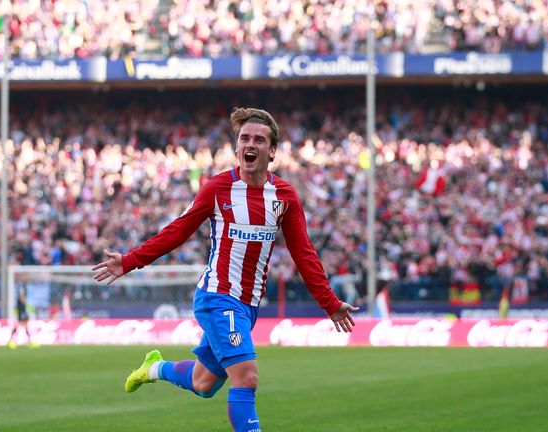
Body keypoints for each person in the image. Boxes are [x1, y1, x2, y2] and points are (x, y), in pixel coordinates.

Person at [92, 107, 359, 432]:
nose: (250, 143)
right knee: (246, 377)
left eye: (259, 140)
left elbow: (303, 253)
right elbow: (177, 230)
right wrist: (131, 260)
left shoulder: (284, 196)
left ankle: (154, 368)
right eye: (244, 138)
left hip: (247, 306)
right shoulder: (217, 189)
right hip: (218, 297)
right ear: (237, 147)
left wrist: (329, 302)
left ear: (271, 151)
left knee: (202, 383)